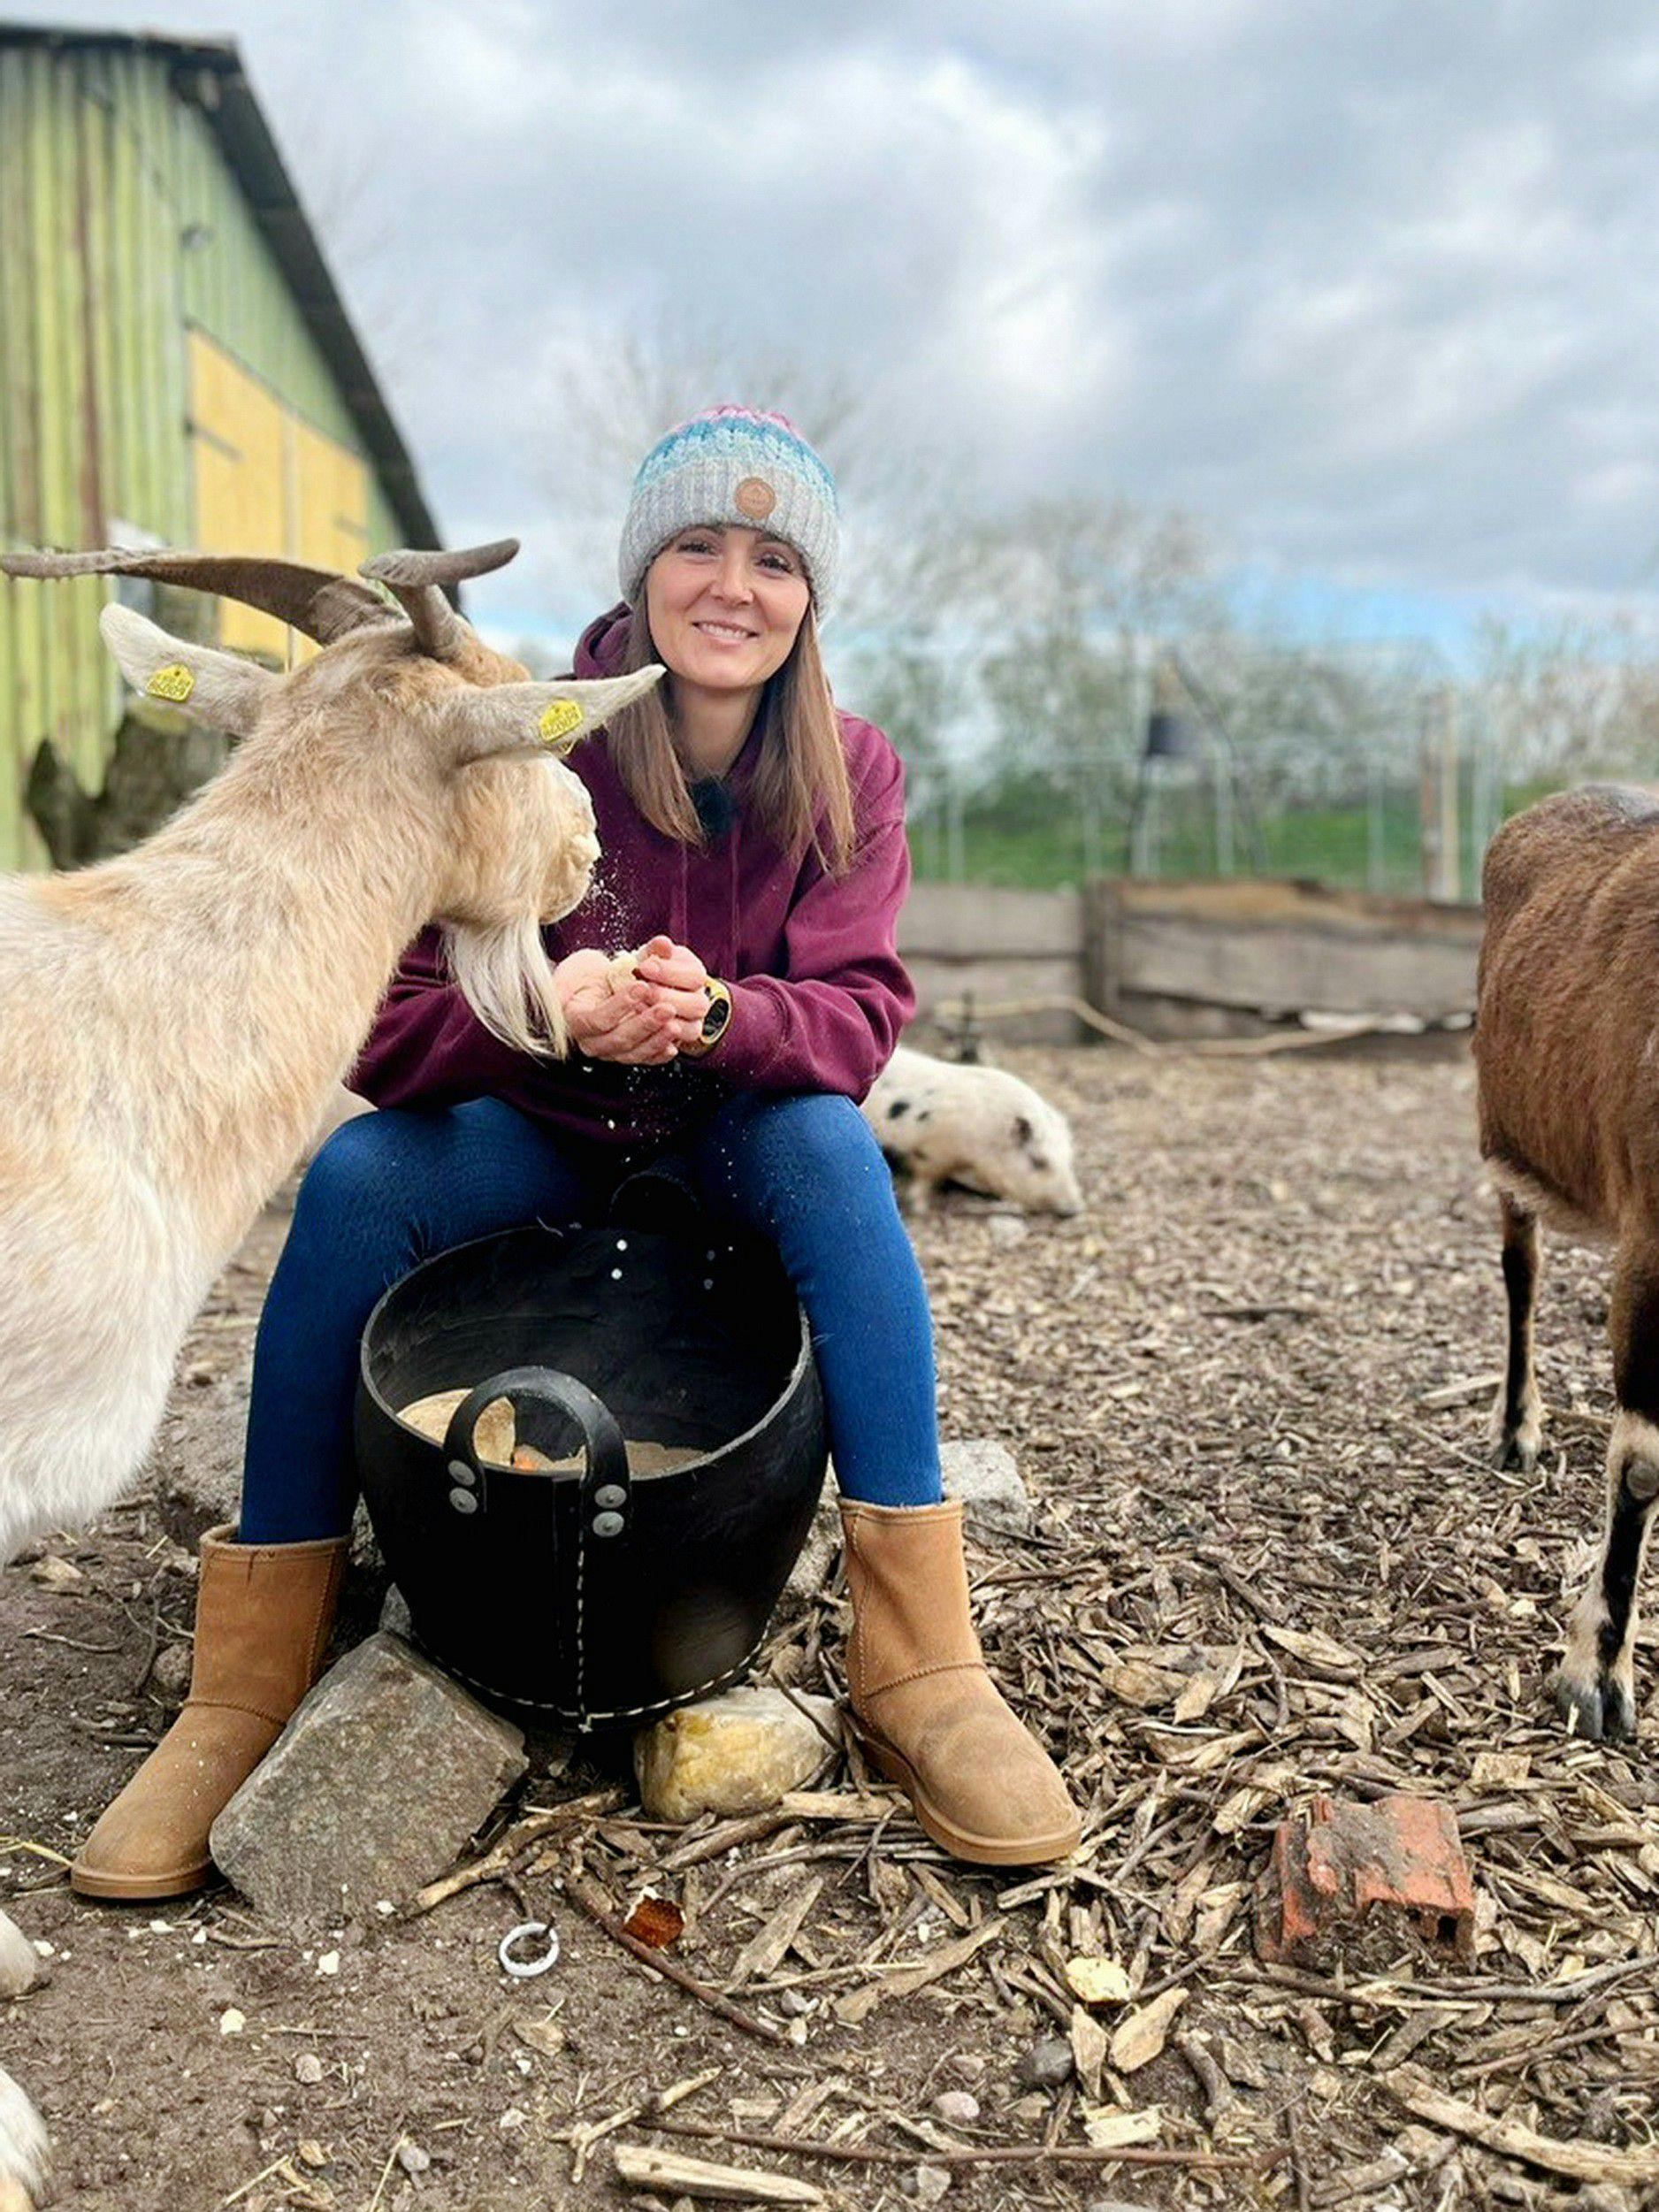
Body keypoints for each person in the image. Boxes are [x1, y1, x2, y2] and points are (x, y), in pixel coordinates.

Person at [70, 406, 1081, 1898]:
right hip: (539, 1139)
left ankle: (918, 1660)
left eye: (773, 559)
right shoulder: (521, 725)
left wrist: (724, 1015)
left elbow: (860, 1020)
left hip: (728, 1147)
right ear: (643, 569)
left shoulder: (851, 769)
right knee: (359, 1179)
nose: (733, 586)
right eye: (696, 547)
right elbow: (387, 1027)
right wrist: (546, 1009)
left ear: (810, 596)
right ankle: (252, 1673)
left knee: (829, 1148)